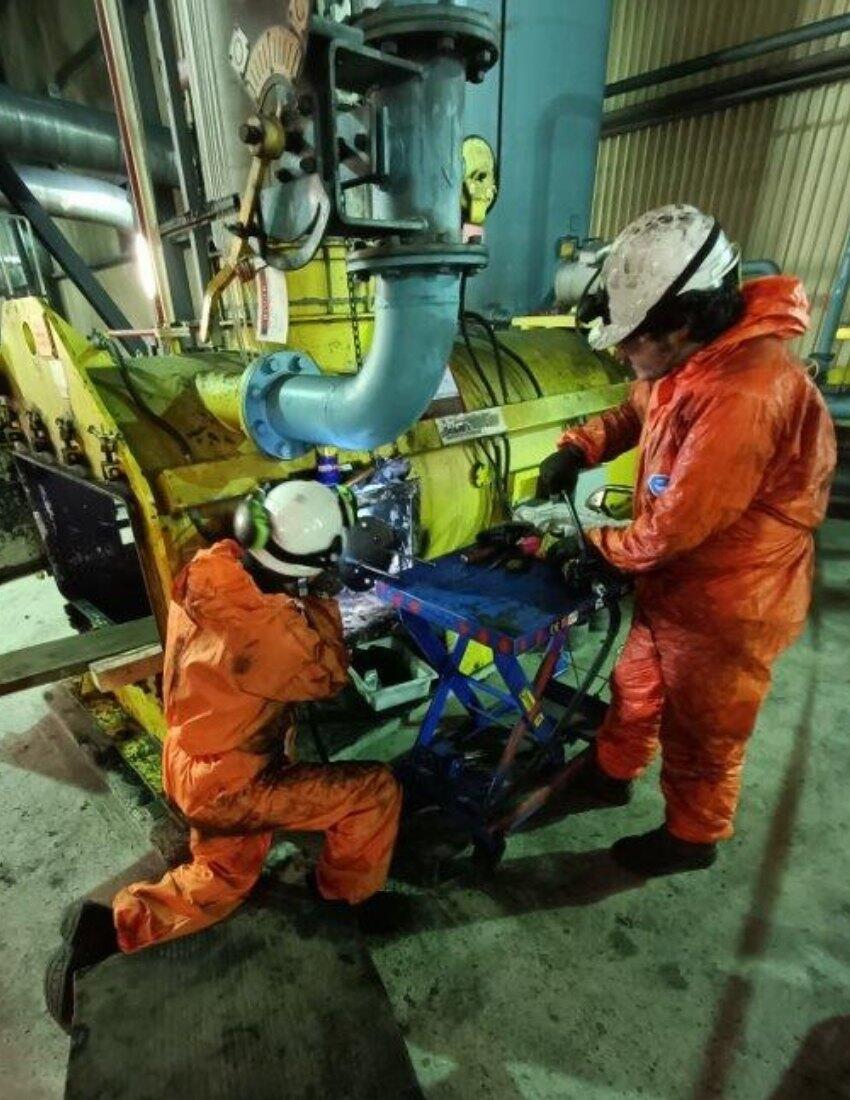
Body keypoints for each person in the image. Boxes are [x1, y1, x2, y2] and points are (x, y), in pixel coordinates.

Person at [538, 203, 836, 877]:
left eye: (630, 338)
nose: (620, 352)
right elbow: (637, 408)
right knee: (635, 681)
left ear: (679, 322)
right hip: (677, 582)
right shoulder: (688, 361)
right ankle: (612, 773)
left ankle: (691, 838)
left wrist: (587, 543)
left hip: (733, 597)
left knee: (705, 725)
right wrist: (579, 447)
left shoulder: (746, 394)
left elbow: (667, 531)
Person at [46, 480, 402, 1028]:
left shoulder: (212, 568)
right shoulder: (269, 637)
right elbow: (328, 674)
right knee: (371, 794)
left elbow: (274, 586)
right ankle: (342, 899)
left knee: (225, 861)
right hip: (232, 785)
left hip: (190, 754)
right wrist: (328, 594)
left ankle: (118, 924)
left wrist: (304, 580)